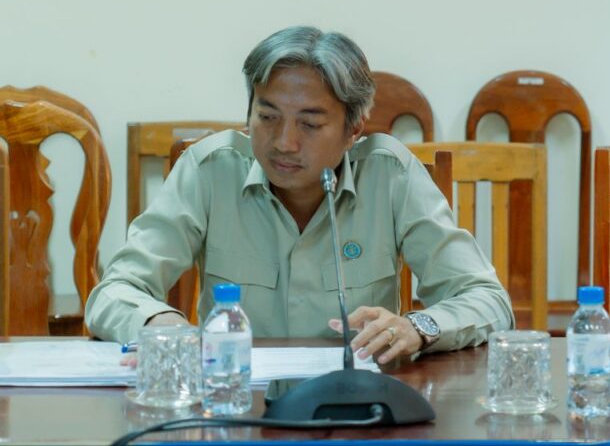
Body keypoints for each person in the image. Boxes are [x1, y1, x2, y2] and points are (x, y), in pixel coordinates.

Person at [86, 26, 513, 364]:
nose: (284, 143)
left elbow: (489, 300)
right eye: (268, 117)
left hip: (354, 410)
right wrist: (162, 324)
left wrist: (418, 327)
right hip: (238, 401)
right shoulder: (209, 170)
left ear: (353, 129)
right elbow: (114, 290)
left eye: (309, 124)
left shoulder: (390, 175)